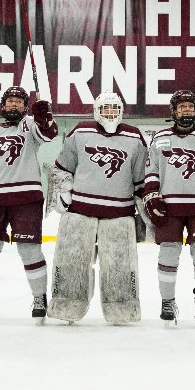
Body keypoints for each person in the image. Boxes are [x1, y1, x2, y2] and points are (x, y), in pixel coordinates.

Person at [48, 92, 149, 325]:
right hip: (80, 211)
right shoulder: (80, 132)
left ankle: (122, 308)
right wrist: (65, 189)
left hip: (119, 214)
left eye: (115, 109)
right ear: (96, 111)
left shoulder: (134, 137)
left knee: (119, 266)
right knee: (72, 261)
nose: (110, 114)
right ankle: (67, 304)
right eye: (106, 109)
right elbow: (63, 167)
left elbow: (140, 181)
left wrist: (143, 210)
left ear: (121, 112)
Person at [0, 86, 58, 323]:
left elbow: (49, 133)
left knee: (29, 250)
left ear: (25, 106)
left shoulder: (29, 125)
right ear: (2, 106)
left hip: (25, 198)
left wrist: (44, 114)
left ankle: (39, 297)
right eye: (10, 101)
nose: (13, 105)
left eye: (18, 102)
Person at [142, 90, 195, 325]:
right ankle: (167, 302)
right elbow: (151, 171)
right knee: (168, 252)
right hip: (170, 206)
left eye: (190, 107)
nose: (186, 110)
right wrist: (152, 194)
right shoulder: (160, 138)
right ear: (174, 111)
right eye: (181, 107)